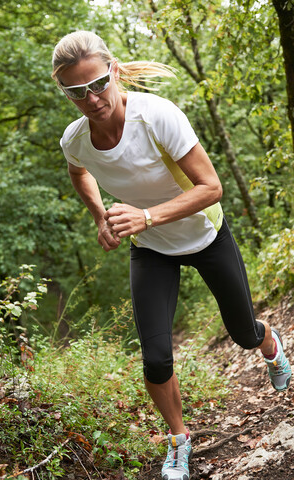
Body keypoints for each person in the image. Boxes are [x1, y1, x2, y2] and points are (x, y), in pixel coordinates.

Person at [52, 30, 292, 480]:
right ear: (64, 91)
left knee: (242, 332)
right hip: (151, 251)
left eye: (99, 83)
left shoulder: (157, 117)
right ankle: (179, 442)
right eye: (77, 92)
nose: (93, 98)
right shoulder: (76, 138)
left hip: (205, 235)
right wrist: (101, 214)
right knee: (157, 357)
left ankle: (270, 344)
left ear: (114, 71)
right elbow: (77, 170)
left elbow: (211, 187)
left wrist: (145, 216)